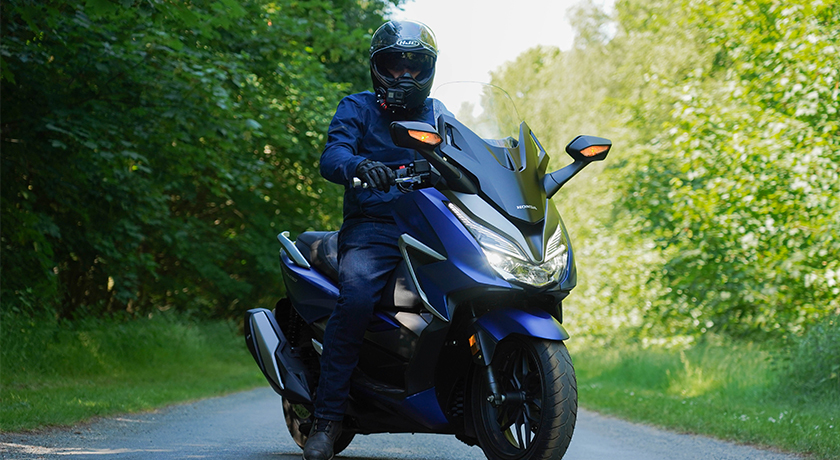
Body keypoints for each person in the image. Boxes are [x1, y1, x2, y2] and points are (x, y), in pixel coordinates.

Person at [302, 20, 439, 460]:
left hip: (433, 227)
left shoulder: (437, 114)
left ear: (428, 71)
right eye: (395, 66)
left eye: (415, 67)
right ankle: (326, 420)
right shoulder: (357, 108)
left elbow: (470, 154)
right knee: (357, 297)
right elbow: (333, 155)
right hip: (374, 227)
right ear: (378, 68)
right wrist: (360, 165)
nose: (405, 76)